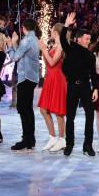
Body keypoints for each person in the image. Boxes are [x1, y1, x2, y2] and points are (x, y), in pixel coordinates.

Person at [60, 12, 98, 157]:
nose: (89, 41)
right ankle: (69, 144)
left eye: (89, 39)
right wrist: (66, 25)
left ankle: (88, 145)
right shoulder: (72, 48)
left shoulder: (90, 56)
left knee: (90, 115)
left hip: (85, 87)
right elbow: (63, 40)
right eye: (87, 38)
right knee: (70, 116)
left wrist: (95, 88)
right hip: (72, 87)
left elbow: (93, 74)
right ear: (80, 39)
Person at [6, 18, 40, 152]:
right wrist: (14, 44)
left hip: (25, 78)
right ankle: (30, 139)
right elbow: (20, 55)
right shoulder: (34, 39)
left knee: (23, 108)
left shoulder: (26, 40)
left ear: (23, 28)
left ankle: (27, 139)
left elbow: (14, 57)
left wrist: (10, 44)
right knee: (26, 109)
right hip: (30, 77)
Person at [37, 23, 68, 153]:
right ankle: (52, 137)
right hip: (50, 78)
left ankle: (62, 139)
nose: (50, 31)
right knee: (43, 110)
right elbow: (48, 63)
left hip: (58, 79)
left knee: (58, 111)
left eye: (52, 30)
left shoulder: (61, 46)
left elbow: (52, 62)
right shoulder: (54, 45)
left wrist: (43, 49)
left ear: (56, 32)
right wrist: (45, 49)